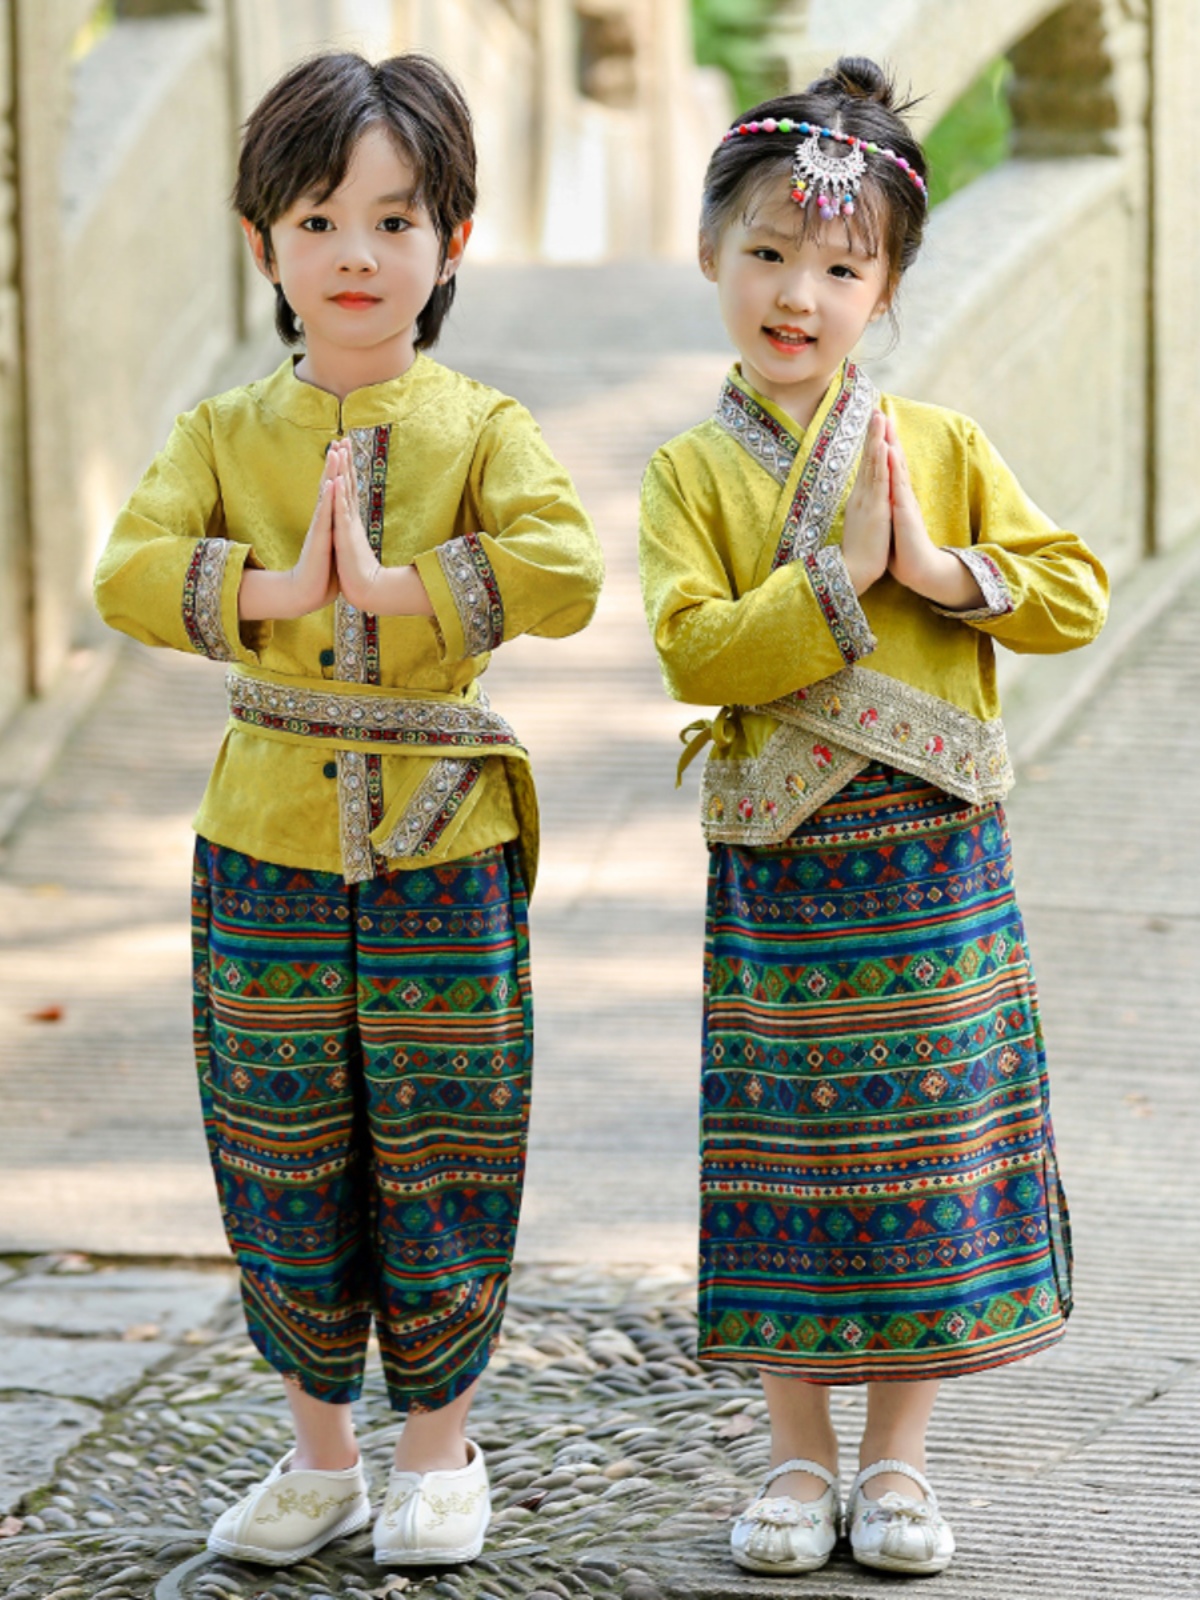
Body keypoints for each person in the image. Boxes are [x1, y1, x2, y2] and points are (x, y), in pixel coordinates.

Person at [94, 51, 602, 1570]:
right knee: (277, 1137)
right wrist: (271, 590)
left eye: (397, 219)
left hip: (444, 836)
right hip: (261, 836)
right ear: (263, 245)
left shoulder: (482, 422)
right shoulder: (221, 435)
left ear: (453, 241)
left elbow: (568, 567)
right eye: (319, 219)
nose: (358, 255)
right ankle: (319, 1456)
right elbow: (123, 570)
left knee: (447, 1131)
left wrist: (408, 590)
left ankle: (441, 1453)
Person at [639, 57, 1107, 1578]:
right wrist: (844, 579)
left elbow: (1072, 592)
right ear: (710, 252)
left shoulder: (946, 445)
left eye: (840, 266)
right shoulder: (690, 470)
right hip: (786, 862)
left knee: (927, 1156)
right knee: (789, 1155)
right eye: (767, 254)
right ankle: (790, 1454)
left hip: (933, 853)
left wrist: (938, 564)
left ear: (885, 284)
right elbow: (694, 647)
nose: (797, 292)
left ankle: (896, 1465)